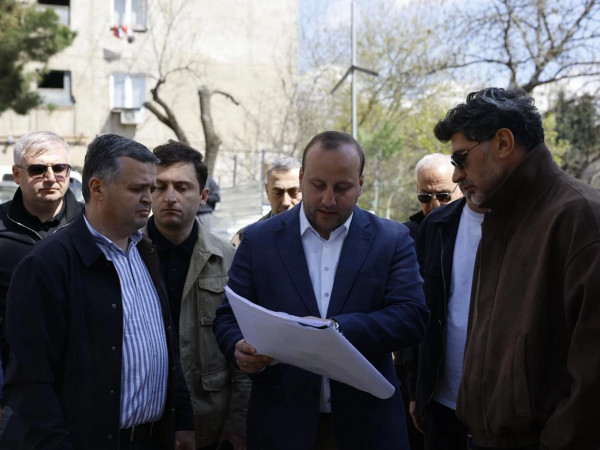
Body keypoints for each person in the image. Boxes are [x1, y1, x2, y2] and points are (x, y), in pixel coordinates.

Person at [213, 131, 429, 449]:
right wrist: (238, 347)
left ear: (361, 183)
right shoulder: (258, 241)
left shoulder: (391, 239)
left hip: (369, 429)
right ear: (302, 177)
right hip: (281, 427)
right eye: (317, 185)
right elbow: (227, 317)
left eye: (342, 188)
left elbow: (412, 317)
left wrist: (335, 329)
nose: (329, 200)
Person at [4, 134, 194, 449]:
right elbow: (30, 381)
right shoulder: (47, 265)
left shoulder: (146, 251)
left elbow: (166, 347)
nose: (149, 199)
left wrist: (182, 421)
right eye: (136, 189)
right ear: (97, 188)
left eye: (151, 188)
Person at [434, 87, 600, 449]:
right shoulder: (498, 216)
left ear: (503, 143)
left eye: (460, 158)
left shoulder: (581, 217)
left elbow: (592, 382)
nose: (456, 175)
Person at [145, 140, 251, 450]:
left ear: (203, 196)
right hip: (143, 423)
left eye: (182, 187)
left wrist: (238, 422)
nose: (170, 197)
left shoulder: (228, 260)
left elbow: (247, 347)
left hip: (210, 425)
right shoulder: (126, 255)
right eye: (160, 186)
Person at [0, 131, 83, 435]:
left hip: (85, 387)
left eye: (59, 168)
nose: (50, 177)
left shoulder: (92, 227)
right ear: (17, 175)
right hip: (14, 393)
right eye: (38, 169)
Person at [407, 192, 486, 450]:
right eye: (424, 196)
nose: (457, 174)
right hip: (440, 403)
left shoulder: (528, 222)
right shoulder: (436, 224)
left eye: (442, 195)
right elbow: (418, 312)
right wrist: (416, 391)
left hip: (501, 410)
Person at [230, 156, 301, 247]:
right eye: (278, 192)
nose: (285, 202)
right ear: (267, 191)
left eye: (294, 192)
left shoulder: (318, 235)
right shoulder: (244, 239)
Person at [404, 153, 461, 241]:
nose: (435, 205)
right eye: (425, 197)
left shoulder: (476, 229)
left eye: (443, 196)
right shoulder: (406, 237)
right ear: (418, 190)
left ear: (461, 190)